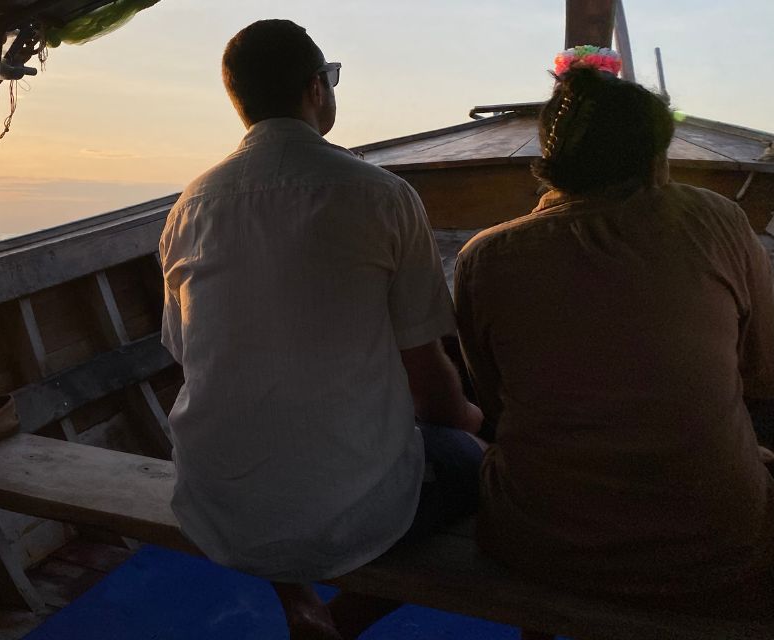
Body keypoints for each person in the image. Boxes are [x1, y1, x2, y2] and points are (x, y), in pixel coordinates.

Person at [159, 19, 484, 639]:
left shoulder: (189, 206)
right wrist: (469, 426)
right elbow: (428, 375)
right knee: (470, 460)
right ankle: (340, 618)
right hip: (353, 513)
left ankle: (299, 602)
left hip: (216, 502)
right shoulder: (383, 195)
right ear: (316, 87)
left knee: (279, 450)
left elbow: (187, 354)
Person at [454, 47, 774, 620]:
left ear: (548, 164)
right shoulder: (719, 221)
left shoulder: (485, 257)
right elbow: (760, 374)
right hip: (716, 547)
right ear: (657, 161)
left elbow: (496, 400)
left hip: (538, 541)